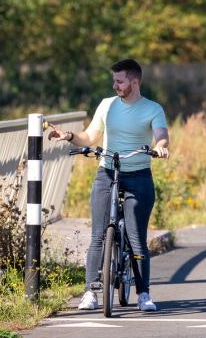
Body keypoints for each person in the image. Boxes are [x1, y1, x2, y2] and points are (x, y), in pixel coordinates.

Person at [48, 58, 169, 312]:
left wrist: (160, 148)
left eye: (120, 81)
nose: (115, 85)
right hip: (107, 172)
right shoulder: (107, 105)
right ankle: (91, 292)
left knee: (137, 238)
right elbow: (90, 136)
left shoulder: (152, 109)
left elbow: (161, 136)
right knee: (98, 236)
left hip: (139, 176)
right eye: (114, 80)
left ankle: (144, 294)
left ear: (134, 82)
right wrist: (68, 136)